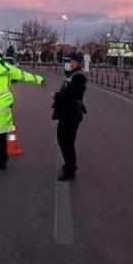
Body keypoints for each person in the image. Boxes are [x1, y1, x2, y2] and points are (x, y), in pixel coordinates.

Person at [52, 52, 88, 181]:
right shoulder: (72, 74)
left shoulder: (79, 77)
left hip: (71, 114)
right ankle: (70, 165)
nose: (67, 63)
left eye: (70, 61)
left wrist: (57, 96)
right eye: (66, 61)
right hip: (67, 112)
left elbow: (71, 94)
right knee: (64, 140)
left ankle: (70, 170)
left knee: (66, 141)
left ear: (77, 63)